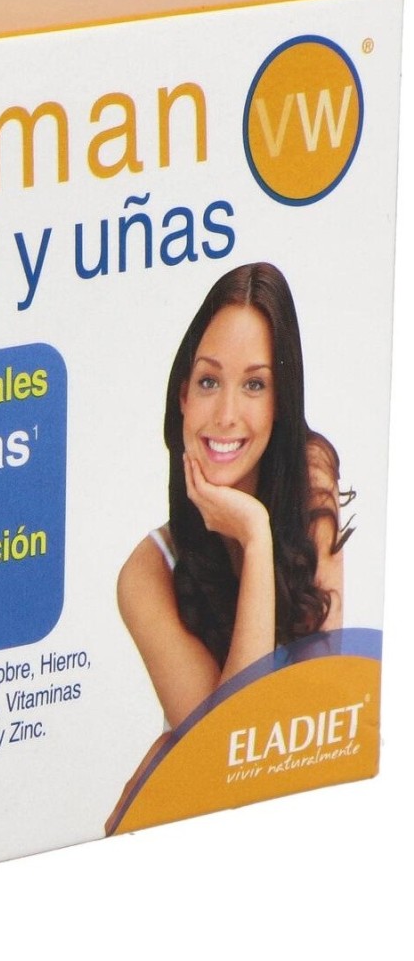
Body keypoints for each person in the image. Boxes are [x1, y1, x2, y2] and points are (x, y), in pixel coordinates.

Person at [117, 262, 350, 731]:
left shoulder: (311, 480)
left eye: (254, 385)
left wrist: (254, 534)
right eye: (209, 381)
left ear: (281, 402)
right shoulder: (146, 574)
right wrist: (256, 538)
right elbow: (227, 749)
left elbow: (320, 712)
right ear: (183, 396)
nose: (226, 415)